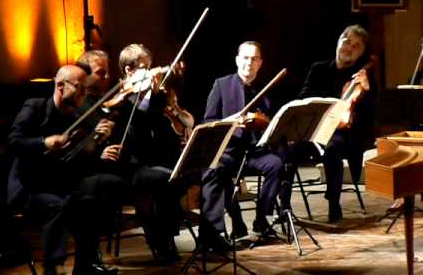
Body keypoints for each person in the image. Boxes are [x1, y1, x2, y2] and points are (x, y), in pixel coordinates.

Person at [7, 65, 121, 275]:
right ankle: (53, 268)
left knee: (89, 204)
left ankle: (85, 268)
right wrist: (44, 142)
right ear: (60, 86)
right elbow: (14, 142)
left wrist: (97, 145)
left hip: (57, 186)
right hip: (27, 188)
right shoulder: (35, 108)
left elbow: (77, 161)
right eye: (80, 88)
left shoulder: (75, 118)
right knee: (57, 206)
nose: (84, 94)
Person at [201, 41, 285, 246]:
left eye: (254, 59)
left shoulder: (266, 89)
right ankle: (215, 233)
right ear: (237, 60)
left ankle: (262, 218)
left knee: (276, 164)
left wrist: (265, 123)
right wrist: (231, 122)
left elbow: (276, 123)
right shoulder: (221, 85)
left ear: (260, 63)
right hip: (229, 151)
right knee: (215, 167)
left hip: (255, 152)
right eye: (246, 58)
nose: (249, 62)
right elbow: (208, 121)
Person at [112, 43, 185, 262]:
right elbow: (137, 123)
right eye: (145, 67)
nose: (151, 71)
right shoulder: (121, 96)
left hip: (152, 161)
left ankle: (167, 235)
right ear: (129, 71)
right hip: (129, 164)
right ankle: (159, 239)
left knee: (179, 174)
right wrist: (144, 94)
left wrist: (156, 94)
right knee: (164, 180)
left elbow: (157, 126)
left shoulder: (153, 96)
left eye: (151, 66)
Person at [296, 24, 375, 222]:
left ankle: (334, 204)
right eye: (347, 41)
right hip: (314, 131)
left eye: (356, 46)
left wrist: (367, 91)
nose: (349, 47)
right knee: (284, 148)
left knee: (333, 146)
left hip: (347, 137)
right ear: (339, 40)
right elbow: (302, 99)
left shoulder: (361, 78)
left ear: (361, 54)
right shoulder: (318, 69)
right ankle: (282, 208)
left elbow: (370, 115)